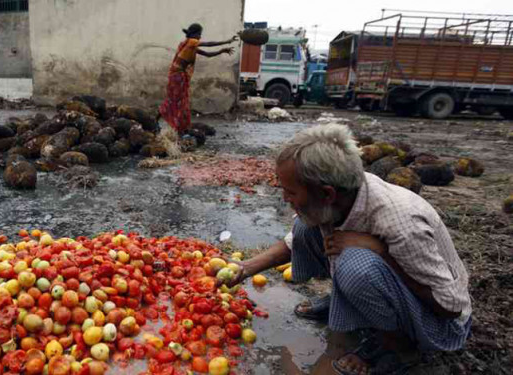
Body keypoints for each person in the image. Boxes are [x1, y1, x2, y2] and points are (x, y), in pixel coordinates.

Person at [224, 124, 472, 374]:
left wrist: (381, 251)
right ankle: (344, 302)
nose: (285, 199)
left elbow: (451, 308)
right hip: (390, 281)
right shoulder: (347, 192)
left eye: (290, 192)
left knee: (356, 265)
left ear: (327, 193)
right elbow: (293, 242)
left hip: (437, 323)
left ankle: (396, 347)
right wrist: (245, 268)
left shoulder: (403, 223)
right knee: (304, 228)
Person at [159, 23, 237, 135]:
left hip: (176, 76)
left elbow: (207, 54)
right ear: (195, 34)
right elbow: (209, 44)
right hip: (177, 76)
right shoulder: (191, 42)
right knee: (178, 102)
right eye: (199, 34)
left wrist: (222, 51)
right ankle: (177, 127)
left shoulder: (188, 45)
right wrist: (227, 41)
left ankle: (178, 127)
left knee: (176, 101)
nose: (200, 37)